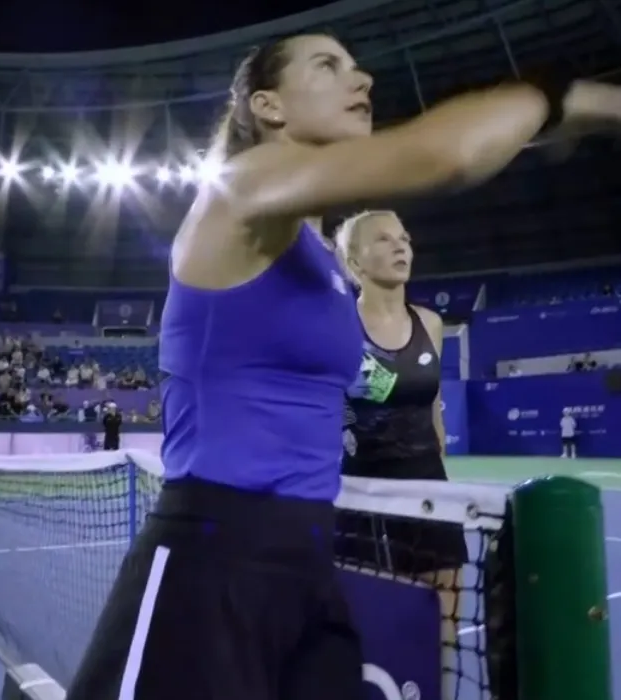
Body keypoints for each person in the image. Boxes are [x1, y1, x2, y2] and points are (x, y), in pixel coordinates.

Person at [65, 32, 621, 700]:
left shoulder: (320, 256)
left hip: (310, 554)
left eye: (357, 66)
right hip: (214, 558)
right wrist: (561, 95)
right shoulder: (240, 188)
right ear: (268, 106)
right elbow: (443, 155)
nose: (363, 80)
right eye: (328, 66)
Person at [332, 210, 467, 699]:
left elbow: (433, 410)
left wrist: (440, 471)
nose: (400, 246)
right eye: (384, 239)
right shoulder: (336, 325)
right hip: (359, 499)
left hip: (429, 494)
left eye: (405, 238)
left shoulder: (430, 323)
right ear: (354, 262)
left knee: (443, 619)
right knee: (368, 623)